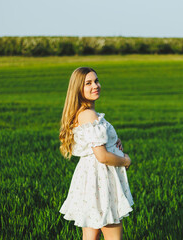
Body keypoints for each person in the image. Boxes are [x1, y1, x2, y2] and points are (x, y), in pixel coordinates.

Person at [59, 67, 134, 240]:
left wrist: (113, 141)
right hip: (101, 179)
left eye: (96, 81)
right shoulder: (89, 115)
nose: (96, 86)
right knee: (112, 233)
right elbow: (101, 156)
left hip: (89, 179)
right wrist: (125, 160)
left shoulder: (82, 114)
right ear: (79, 88)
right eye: (88, 83)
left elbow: (96, 144)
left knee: (90, 235)